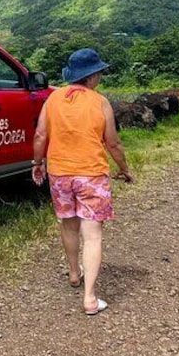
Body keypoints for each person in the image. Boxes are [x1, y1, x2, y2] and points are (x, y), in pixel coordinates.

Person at [32, 48, 134, 316]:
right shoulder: (100, 102)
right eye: (98, 72)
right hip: (91, 175)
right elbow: (112, 142)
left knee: (68, 224)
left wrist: (37, 164)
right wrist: (124, 169)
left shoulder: (52, 99)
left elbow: (40, 135)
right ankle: (90, 298)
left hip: (60, 174)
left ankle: (74, 273)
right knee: (92, 235)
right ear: (91, 76)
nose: (99, 76)